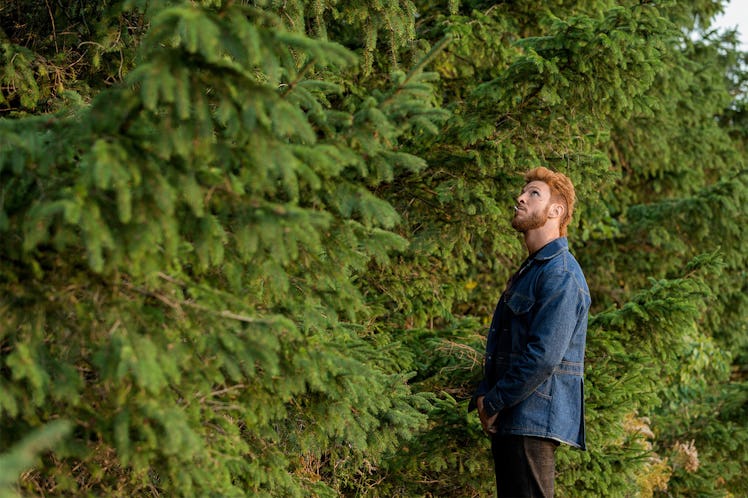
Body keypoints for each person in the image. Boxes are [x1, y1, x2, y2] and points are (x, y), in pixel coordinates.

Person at [469, 167, 590, 498]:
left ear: (556, 210)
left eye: (534, 193)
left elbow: (544, 356)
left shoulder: (561, 275)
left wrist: (493, 401)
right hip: (514, 418)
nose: (520, 198)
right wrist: (486, 396)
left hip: (532, 420)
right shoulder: (533, 271)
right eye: (522, 192)